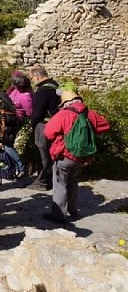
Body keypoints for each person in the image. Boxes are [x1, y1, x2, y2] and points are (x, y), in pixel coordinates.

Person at [42, 83, 110, 223]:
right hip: (82, 156)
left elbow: (48, 133)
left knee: (60, 183)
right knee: (72, 181)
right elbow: (105, 125)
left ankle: (59, 214)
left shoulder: (64, 114)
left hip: (64, 154)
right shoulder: (89, 113)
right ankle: (72, 209)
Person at [28, 65, 60, 190]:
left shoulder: (43, 91)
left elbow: (38, 112)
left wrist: (32, 124)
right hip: (56, 123)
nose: (32, 81)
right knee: (51, 152)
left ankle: (43, 181)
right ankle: (52, 179)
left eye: (32, 78)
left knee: (43, 152)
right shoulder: (56, 86)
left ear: (37, 76)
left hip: (44, 125)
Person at [4, 70, 33, 177]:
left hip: (16, 120)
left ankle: (21, 167)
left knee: (7, 144)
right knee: (7, 144)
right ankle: (14, 167)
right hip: (8, 119)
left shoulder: (26, 96)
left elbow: (30, 113)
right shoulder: (15, 90)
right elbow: (16, 73)